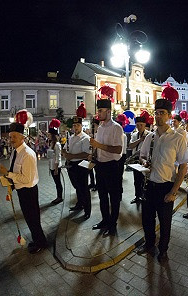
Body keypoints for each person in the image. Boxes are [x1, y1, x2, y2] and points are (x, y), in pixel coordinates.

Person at [136, 83, 188, 262]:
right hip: (149, 185)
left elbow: (183, 166)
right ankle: (149, 243)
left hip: (166, 186)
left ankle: (163, 249)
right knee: (147, 220)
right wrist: (144, 162)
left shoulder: (177, 138)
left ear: (169, 116)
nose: (158, 116)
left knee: (165, 223)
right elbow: (142, 156)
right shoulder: (150, 137)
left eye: (162, 113)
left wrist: (174, 191)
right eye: (156, 113)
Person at [0, 109, 47, 254]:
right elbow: (16, 171)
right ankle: (36, 239)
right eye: (10, 136)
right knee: (28, 218)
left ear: (22, 138)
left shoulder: (28, 154)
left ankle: (41, 242)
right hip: (21, 190)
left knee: (33, 218)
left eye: (14, 136)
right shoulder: (15, 151)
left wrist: (8, 174)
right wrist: (10, 182)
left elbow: (27, 178)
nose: (11, 139)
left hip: (29, 191)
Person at [90, 85, 123, 236]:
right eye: (98, 111)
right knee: (102, 195)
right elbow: (98, 146)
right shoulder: (100, 127)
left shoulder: (116, 128)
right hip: (100, 166)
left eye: (101, 111)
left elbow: (117, 150)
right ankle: (105, 220)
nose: (98, 114)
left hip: (112, 166)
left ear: (108, 111)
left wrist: (99, 145)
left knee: (113, 197)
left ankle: (112, 223)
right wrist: (94, 153)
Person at [62, 103, 92, 219]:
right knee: (77, 187)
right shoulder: (71, 137)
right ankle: (79, 204)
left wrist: (71, 156)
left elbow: (86, 153)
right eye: (74, 125)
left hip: (81, 165)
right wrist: (65, 154)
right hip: (71, 165)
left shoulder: (85, 138)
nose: (75, 128)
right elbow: (64, 149)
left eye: (77, 125)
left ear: (81, 126)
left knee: (84, 187)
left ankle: (87, 210)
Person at [128, 110, 151, 204]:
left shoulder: (149, 134)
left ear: (145, 125)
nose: (139, 127)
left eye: (141, 125)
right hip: (135, 160)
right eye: (137, 125)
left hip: (144, 160)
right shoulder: (134, 135)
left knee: (144, 180)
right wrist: (140, 139)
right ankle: (137, 196)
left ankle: (144, 196)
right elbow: (130, 146)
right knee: (136, 180)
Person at [47, 119, 64, 205]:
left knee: (58, 183)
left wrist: (56, 169)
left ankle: (60, 197)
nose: (48, 135)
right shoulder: (51, 144)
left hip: (56, 167)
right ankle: (58, 196)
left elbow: (58, 157)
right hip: (52, 166)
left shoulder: (57, 144)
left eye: (49, 134)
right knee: (56, 182)